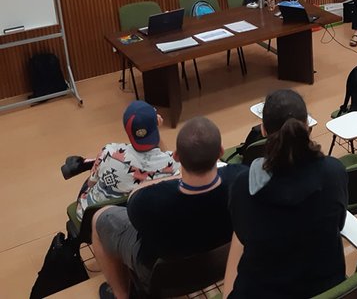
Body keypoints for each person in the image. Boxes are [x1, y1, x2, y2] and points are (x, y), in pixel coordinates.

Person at [92, 116, 246, 299]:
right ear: (220, 152)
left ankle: (121, 295)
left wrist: (175, 177)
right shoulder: (241, 178)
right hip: (222, 262)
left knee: (98, 217)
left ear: (177, 156)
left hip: (160, 275)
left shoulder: (148, 201)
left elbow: (135, 195)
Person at [223, 89, 348, 298]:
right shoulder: (334, 171)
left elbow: (244, 237)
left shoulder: (243, 184)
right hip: (327, 287)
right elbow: (339, 224)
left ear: (263, 131)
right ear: (308, 126)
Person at [76, 100, 179, 221]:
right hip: (131, 223)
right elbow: (163, 156)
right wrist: (155, 129)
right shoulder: (171, 167)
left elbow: (91, 183)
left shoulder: (109, 152)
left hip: (89, 218)